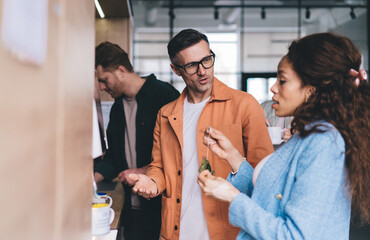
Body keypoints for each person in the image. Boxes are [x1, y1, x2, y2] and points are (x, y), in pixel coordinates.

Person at [198, 32, 370, 239]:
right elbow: (271, 199)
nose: (273, 87)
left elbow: (295, 235)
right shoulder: (309, 135)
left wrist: (233, 197)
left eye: (282, 80)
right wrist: (233, 157)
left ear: (312, 89)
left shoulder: (324, 143)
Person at [129, 29, 274, 240]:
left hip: (228, 231)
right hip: (175, 231)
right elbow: (158, 166)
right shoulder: (166, 114)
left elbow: (264, 174)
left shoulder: (245, 105)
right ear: (176, 70)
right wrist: (153, 183)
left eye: (207, 60)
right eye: (191, 66)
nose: (203, 71)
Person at [94, 41, 180, 240]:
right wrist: (90, 179)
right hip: (132, 209)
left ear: (121, 71)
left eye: (104, 79)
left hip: (162, 210)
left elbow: (180, 153)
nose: (102, 87)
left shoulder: (164, 95)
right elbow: (114, 157)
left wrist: (143, 171)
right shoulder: (117, 109)